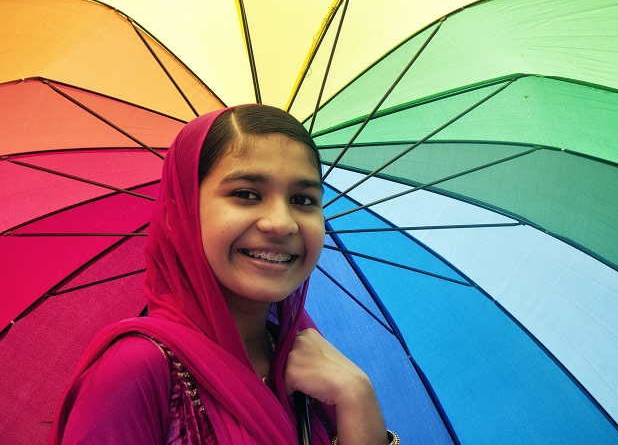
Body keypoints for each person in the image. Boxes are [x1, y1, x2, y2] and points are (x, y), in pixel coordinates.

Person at [48, 105, 398, 445]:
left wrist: (358, 400)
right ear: (180, 214)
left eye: (304, 200)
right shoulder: (136, 372)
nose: (281, 223)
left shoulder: (310, 368)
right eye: (246, 194)